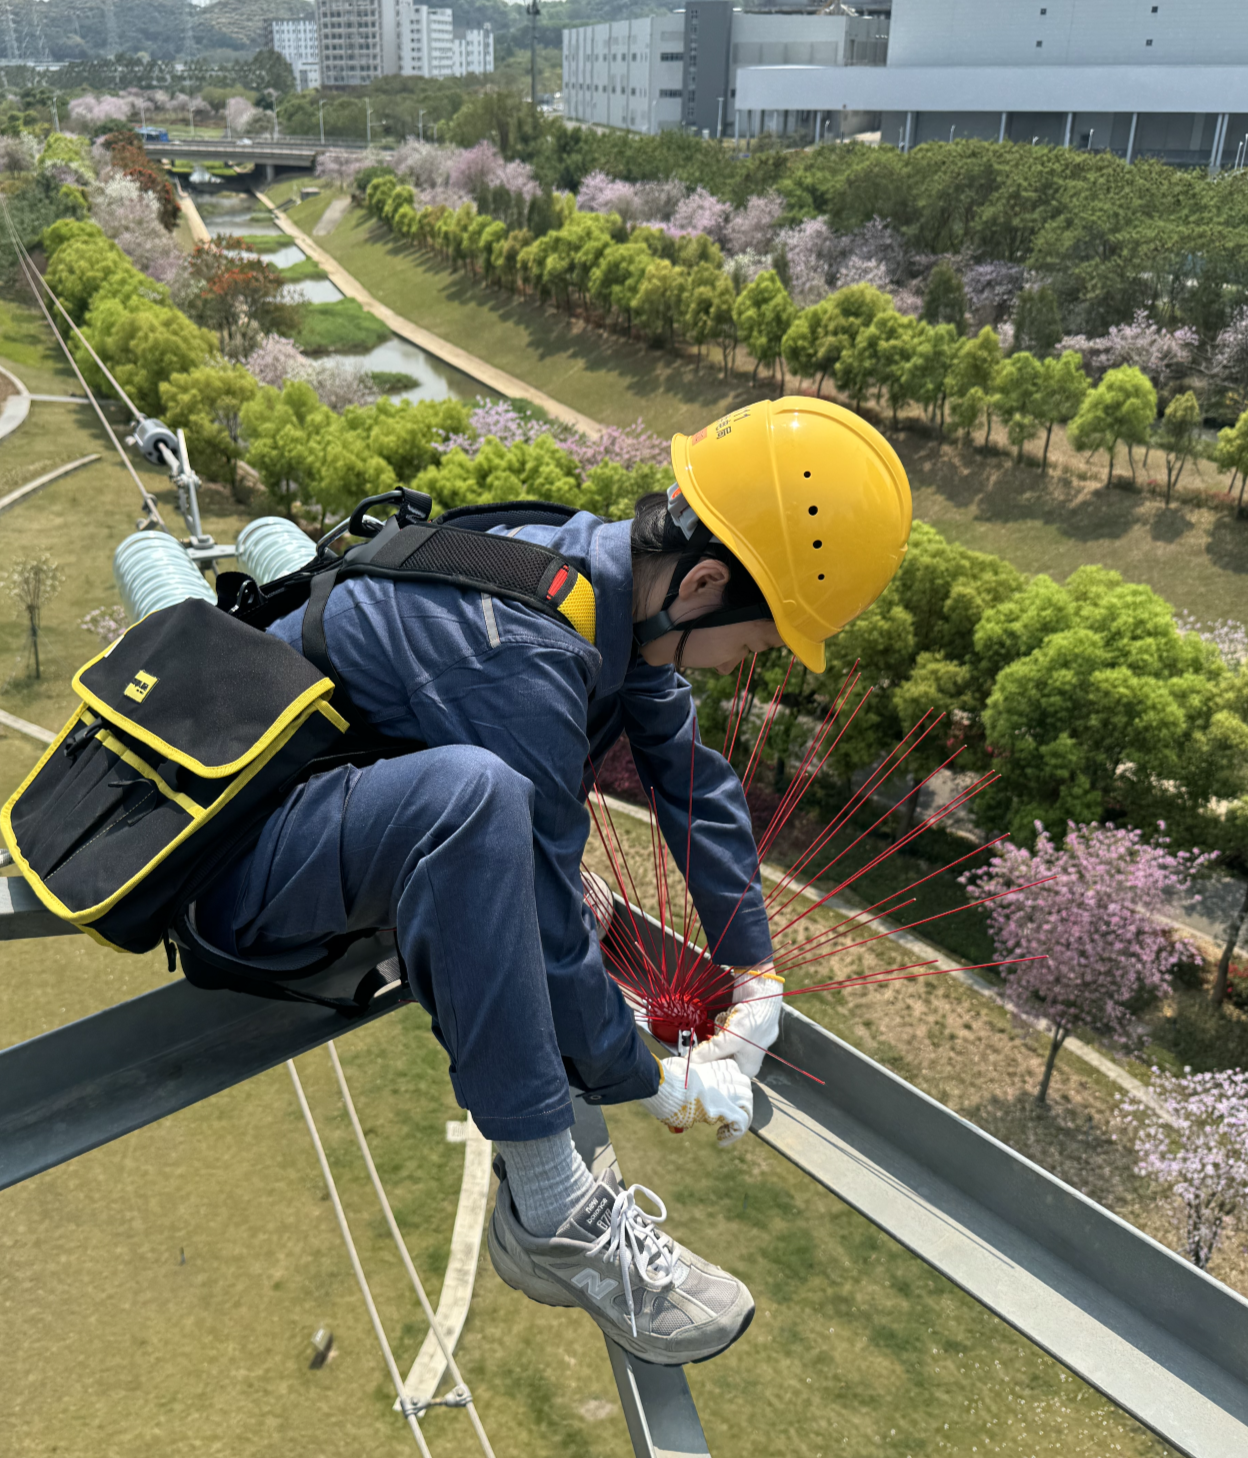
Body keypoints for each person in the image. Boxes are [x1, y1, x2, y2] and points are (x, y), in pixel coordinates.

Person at [193, 397, 911, 1364]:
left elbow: (692, 784)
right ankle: (553, 1217)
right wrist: (654, 1082)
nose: (743, 670)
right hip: (242, 879)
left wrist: (756, 975)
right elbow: (535, 900)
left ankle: (557, 1192)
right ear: (702, 584)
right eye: (753, 646)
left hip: (338, 829)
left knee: (506, 823)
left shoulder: (586, 578)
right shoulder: (522, 648)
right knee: (483, 802)